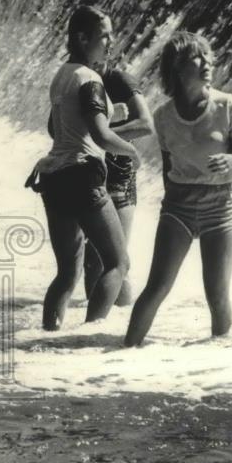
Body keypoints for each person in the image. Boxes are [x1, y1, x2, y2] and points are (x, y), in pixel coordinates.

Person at [125, 31, 232, 347]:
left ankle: (219, 366)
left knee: (217, 294)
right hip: (178, 207)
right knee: (157, 287)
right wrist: (171, 206)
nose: (207, 62)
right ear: (178, 68)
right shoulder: (163, 117)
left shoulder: (227, 106)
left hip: (220, 208)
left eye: (208, 56)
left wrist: (230, 162)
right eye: (198, 57)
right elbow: (169, 171)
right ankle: (123, 352)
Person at [27, 5, 140, 330]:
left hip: (54, 177)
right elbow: (101, 136)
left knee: (67, 273)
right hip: (82, 176)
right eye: (104, 35)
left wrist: (110, 112)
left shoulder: (63, 74)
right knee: (118, 262)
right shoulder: (91, 79)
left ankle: (48, 332)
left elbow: (72, 120)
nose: (110, 41)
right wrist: (132, 151)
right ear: (82, 37)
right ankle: (90, 334)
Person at [82, 64, 153, 306]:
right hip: (87, 174)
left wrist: (104, 132)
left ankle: (117, 322)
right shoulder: (78, 78)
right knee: (92, 260)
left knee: (112, 260)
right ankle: (94, 327)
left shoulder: (119, 80)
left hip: (119, 178)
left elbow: (146, 124)